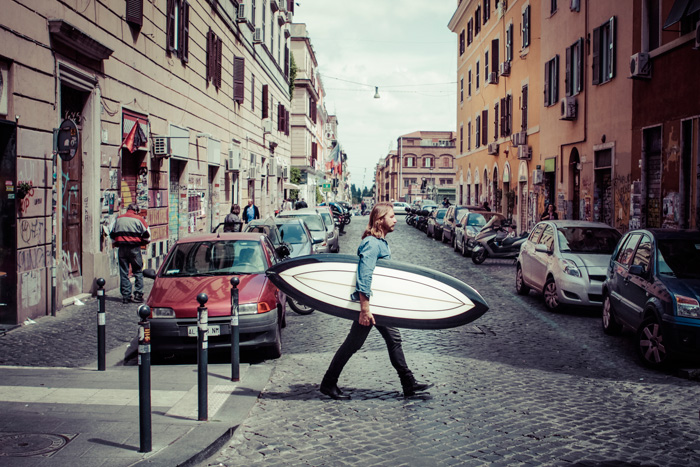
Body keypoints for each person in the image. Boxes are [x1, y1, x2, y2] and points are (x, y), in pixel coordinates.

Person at [319, 202, 433, 400]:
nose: (396, 219)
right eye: (391, 216)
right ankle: (329, 383)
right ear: (380, 221)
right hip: (372, 306)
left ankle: (409, 383)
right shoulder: (372, 243)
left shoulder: (379, 242)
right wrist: (365, 308)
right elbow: (365, 274)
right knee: (355, 344)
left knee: (388, 340)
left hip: (378, 305)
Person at [110, 204, 150, 304]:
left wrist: (116, 242)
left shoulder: (119, 219)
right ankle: (138, 294)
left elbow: (112, 234)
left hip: (122, 248)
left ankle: (126, 296)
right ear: (136, 211)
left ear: (128, 209)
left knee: (124, 272)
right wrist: (142, 242)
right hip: (134, 248)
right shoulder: (139, 219)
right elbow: (147, 236)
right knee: (138, 271)